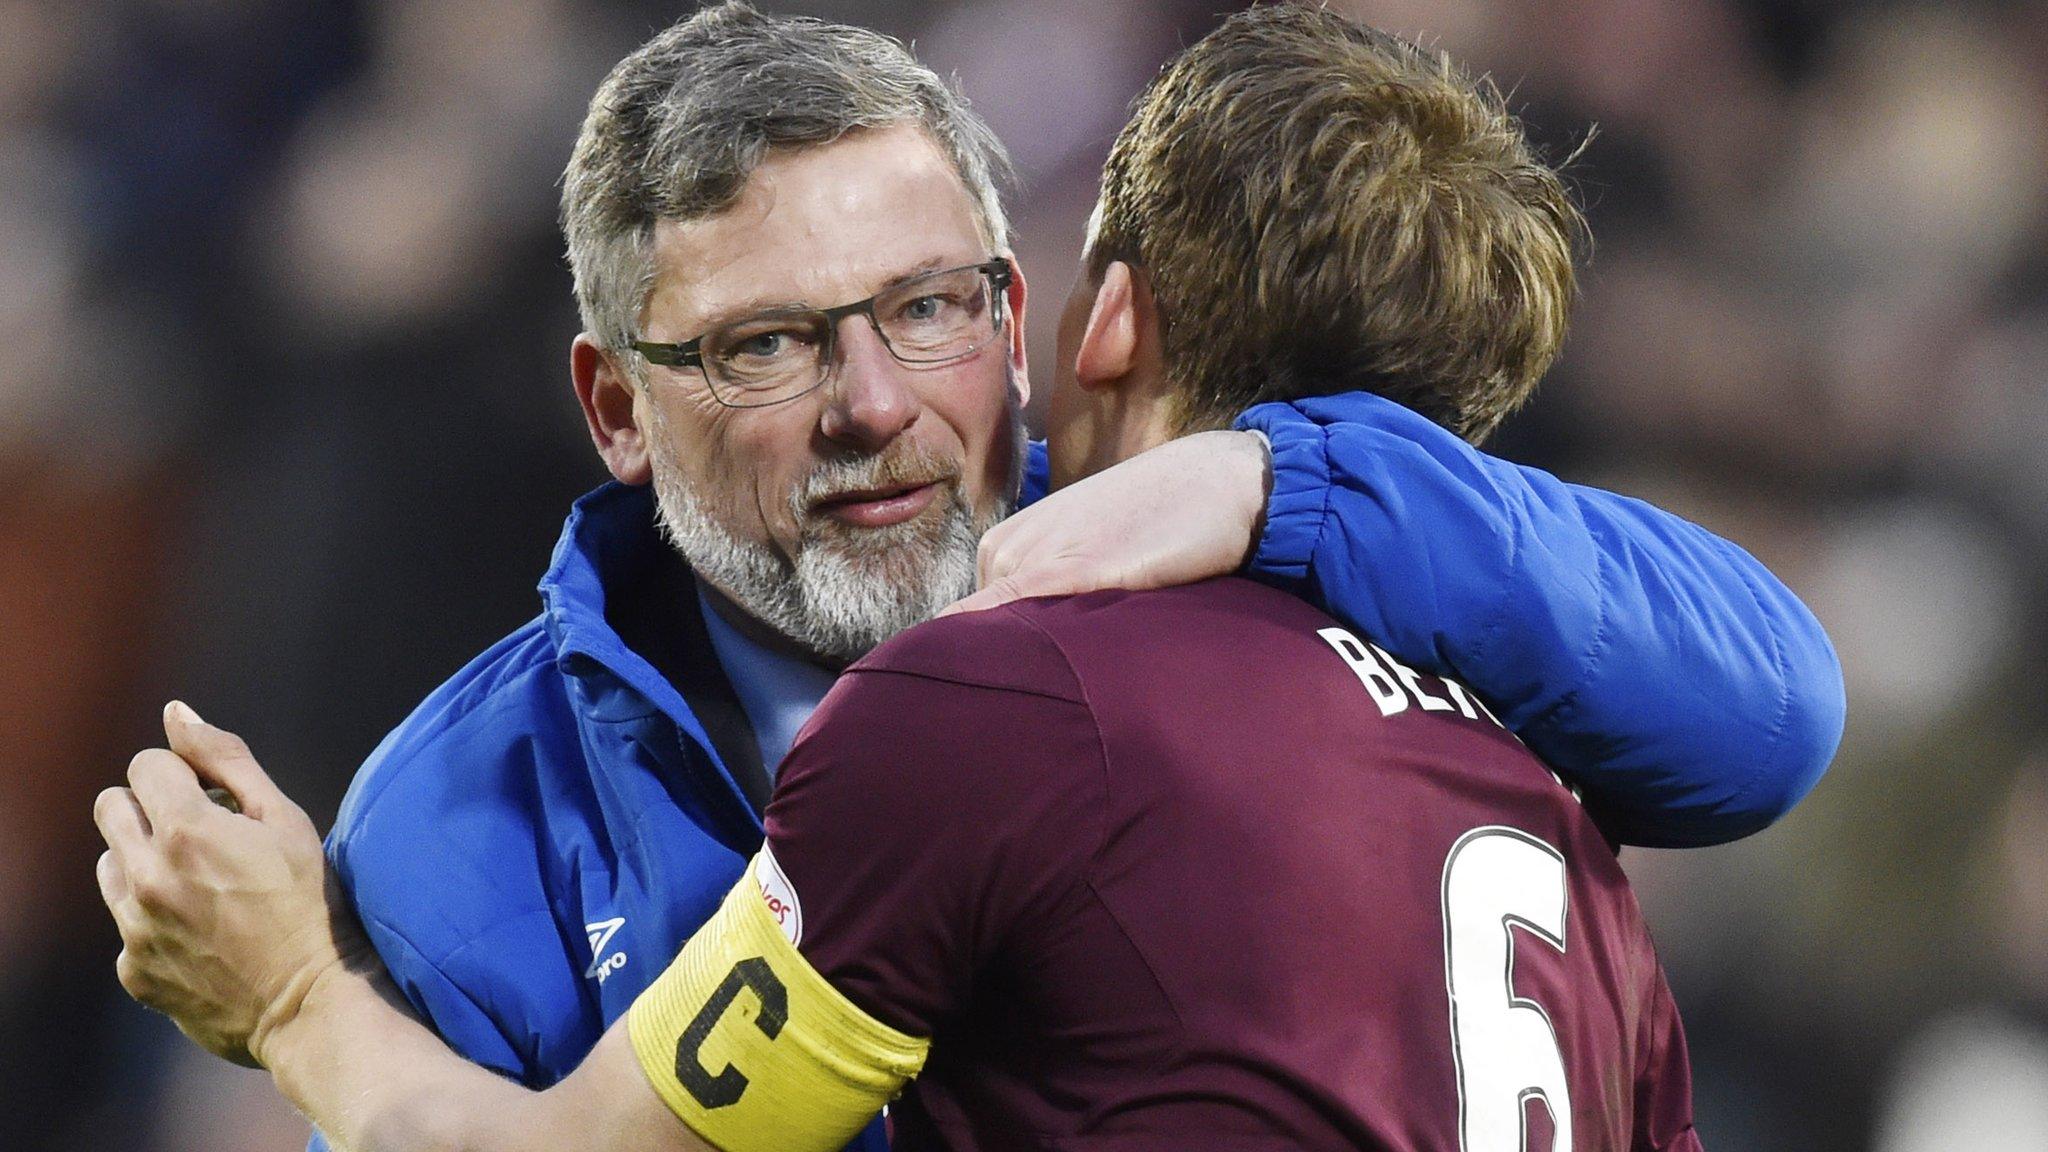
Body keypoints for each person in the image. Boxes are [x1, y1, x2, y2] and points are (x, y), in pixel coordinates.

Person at [105, 1, 1837, 1148]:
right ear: (616, 407)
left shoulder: (1186, 640)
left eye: (927, 310)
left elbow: (1780, 696)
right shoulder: (459, 827)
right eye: (769, 345)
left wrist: (287, 1003)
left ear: (1046, 320)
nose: (873, 407)